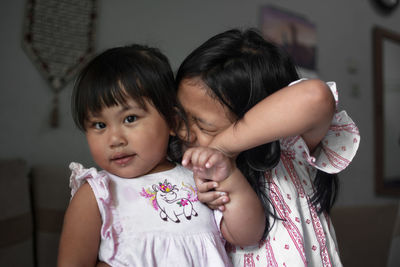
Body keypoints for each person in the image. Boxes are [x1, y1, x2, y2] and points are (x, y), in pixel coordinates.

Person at [57, 44, 265, 266]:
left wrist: (230, 175)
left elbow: (248, 235)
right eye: (99, 124)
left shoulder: (198, 177)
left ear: (172, 122)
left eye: (130, 119)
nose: (115, 139)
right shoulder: (96, 194)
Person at [176, 28, 360, 266]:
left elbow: (316, 96)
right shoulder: (196, 172)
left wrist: (221, 148)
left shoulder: (289, 149)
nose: (183, 131)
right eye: (179, 117)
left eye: (202, 125)